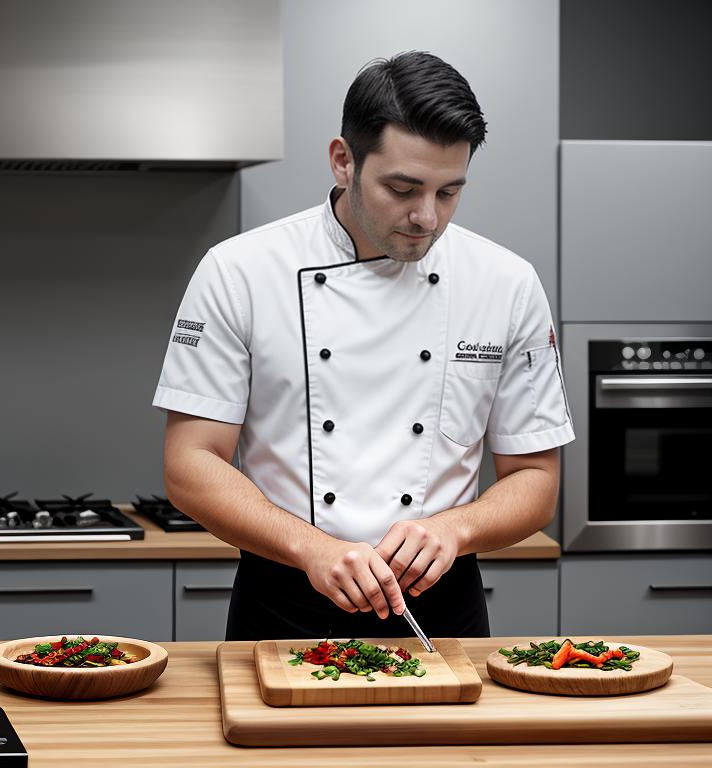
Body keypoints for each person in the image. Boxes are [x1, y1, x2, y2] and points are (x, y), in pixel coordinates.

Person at [155, 51, 573, 640]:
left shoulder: (506, 283)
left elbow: (536, 479)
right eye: (402, 188)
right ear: (342, 161)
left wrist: (456, 530)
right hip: (283, 599)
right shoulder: (240, 271)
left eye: (449, 192)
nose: (426, 217)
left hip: (442, 609)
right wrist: (312, 548)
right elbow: (190, 464)